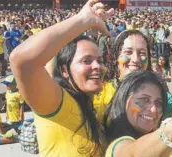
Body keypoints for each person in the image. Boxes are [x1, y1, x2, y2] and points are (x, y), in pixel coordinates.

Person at [10, 0, 114, 156]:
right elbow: (22, 60)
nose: (97, 66)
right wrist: (82, 20)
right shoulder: (58, 103)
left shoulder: (87, 103)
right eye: (86, 61)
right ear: (64, 70)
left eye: (99, 60)